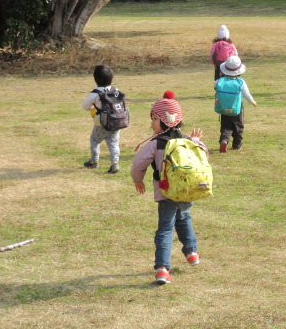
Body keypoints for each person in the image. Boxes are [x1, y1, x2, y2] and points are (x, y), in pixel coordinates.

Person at [130, 91, 208, 285]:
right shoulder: (187, 141)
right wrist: (196, 141)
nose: (152, 124)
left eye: (154, 119)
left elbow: (138, 163)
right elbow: (204, 155)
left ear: (165, 121)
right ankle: (191, 253)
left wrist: (137, 179)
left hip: (166, 193)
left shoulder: (156, 144)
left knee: (165, 228)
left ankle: (162, 268)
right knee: (184, 218)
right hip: (187, 191)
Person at [82, 65, 122, 174]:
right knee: (113, 143)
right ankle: (115, 163)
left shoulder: (95, 93)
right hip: (116, 122)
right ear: (111, 78)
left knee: (95, 140)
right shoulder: (116, 90)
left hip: (101, 123)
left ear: (95, 78)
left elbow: (85, 106)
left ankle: (94, 161)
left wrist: (93, 107)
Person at [215, 55, 257, 153]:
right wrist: (253, 102)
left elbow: (215, 87)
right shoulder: (240, 82)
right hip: (237, 109)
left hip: (223, 108)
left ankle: (224, 140)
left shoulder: (218, 82)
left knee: (225, 126)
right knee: (238, 126)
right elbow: (247, 94)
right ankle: (237, 145)